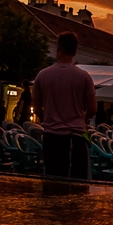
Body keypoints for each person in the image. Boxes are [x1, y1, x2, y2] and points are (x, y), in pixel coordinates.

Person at [32, 34, 98, 178]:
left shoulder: (42, 75)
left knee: (52, 178)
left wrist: (47, 118)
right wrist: (83, 119)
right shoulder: (84, 76)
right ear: (75, 51)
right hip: (75, 136)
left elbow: (36, 107)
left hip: (50, 136)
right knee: (77, 181)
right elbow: (93, 108)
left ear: (59, 47)